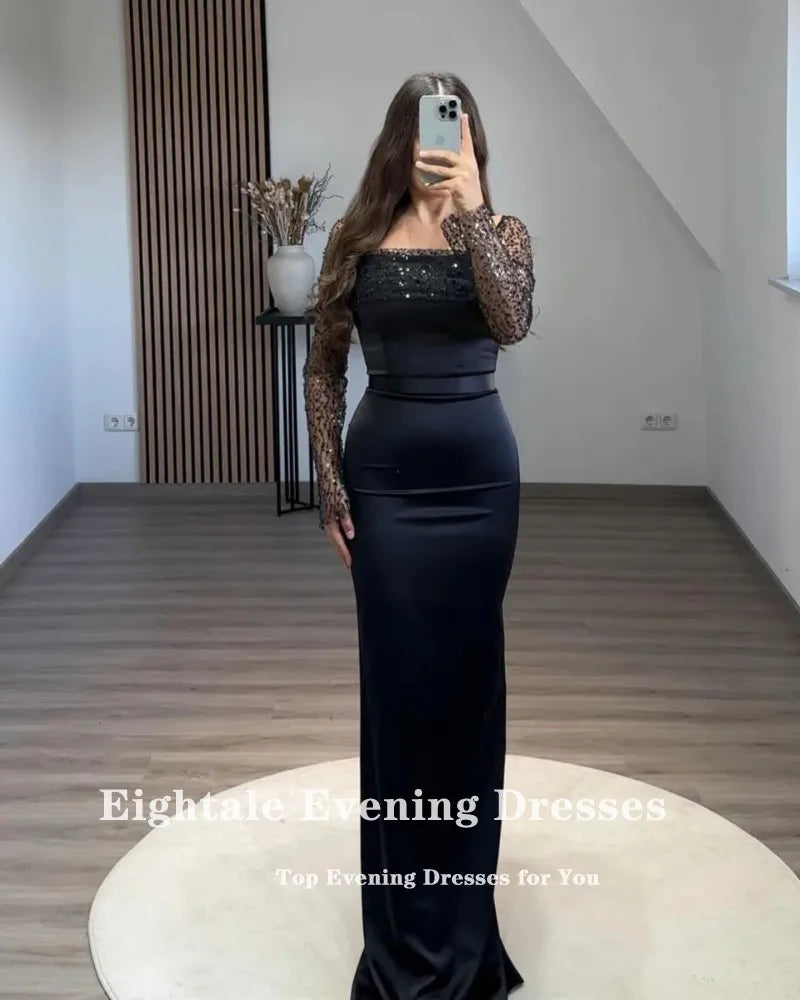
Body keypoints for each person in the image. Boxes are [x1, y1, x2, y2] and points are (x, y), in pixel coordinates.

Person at [302, 71, 534, 1000]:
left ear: (474, 141)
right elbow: (324, 369)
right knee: (399, 698)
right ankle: (402, 939)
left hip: (481, 487)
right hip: (387, 485)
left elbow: (512, 323)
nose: (443, 144)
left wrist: (470, 210)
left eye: (459, 128)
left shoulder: (504, 233)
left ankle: (466, 935)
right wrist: (329, 487)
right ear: (401, 138)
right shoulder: (354, 240)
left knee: (469, 693)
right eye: (433, 128)